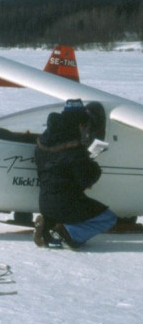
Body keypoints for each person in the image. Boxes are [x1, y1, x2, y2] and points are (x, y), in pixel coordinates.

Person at [33, 98, 117, 249]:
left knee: (70, 209)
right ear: (79, 123)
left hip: (45, 202)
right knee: (108, 218)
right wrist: (93, 166)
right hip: (66, 202)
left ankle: (48, 225)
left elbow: (58, 165)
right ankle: (69, 234)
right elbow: (85, 179)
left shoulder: (44, 140)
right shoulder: (74, 148)